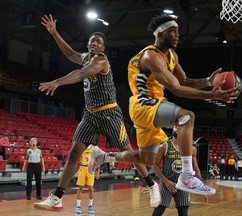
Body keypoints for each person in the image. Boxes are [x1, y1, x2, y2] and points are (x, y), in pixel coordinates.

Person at [89, 14, 238, 195]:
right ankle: (186, 176)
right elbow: (175, 89)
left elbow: (183, 81)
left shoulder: (171, 55)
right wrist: (211, 95)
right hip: (144, 103)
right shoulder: (150, 56)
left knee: (146, 159)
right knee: (186, 116)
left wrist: (208, 80)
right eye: (172, 32)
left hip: (151, 105)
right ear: (160, 34)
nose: (177, 35)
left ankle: (102, 156)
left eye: (178, 32)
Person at [34, 14, 160, 211]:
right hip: (90, 114)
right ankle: (57, 197)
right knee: (75, 152)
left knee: (126, 151)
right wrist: (54, 33)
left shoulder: (100, 61)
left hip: (109, 113)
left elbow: (82, 73)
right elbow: (70, 54)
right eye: (92, 40)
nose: (94, 43)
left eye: (98, 42)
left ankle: (152, 185)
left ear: (102, 48)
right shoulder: (85, 57)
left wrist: (57, 82)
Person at [151, 126, 203, 216]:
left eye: (181, 127)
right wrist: (166, 181)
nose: (177, 129)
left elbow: (196, 168)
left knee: (183, 213)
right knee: (158, 210)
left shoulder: (191, 148)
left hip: (183, 184)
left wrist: (201, 186)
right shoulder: (164, 146)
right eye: (176, 127)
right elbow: (154, 165)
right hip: (167, 183)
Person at [75, 144, 100, 214]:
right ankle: (78, 206)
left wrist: (98, 171)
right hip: (82, 168)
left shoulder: (94, 148)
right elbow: (78, 158)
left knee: (91, 188)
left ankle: (90, 205)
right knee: (80, 188)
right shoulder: (82, 147)